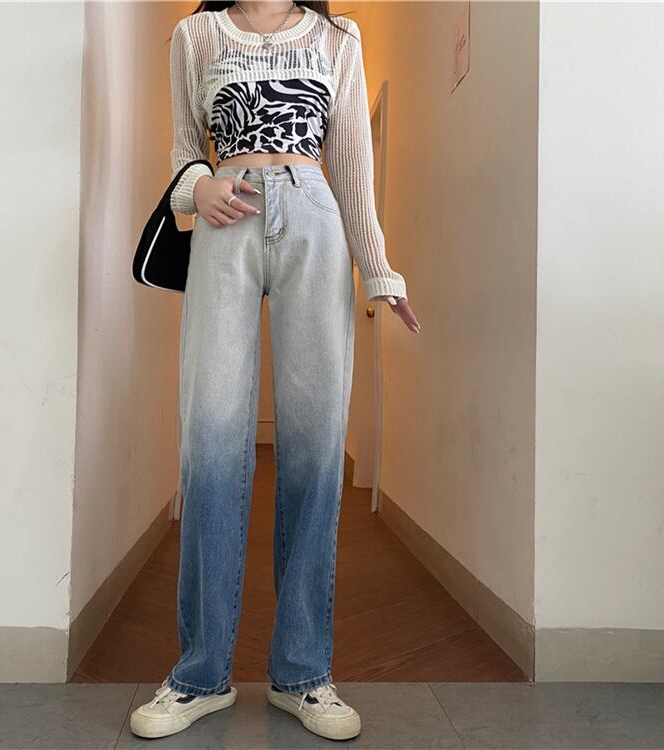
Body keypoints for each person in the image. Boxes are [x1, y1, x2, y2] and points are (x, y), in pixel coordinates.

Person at [130, 0, 421, 742]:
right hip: (226, 221)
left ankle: (303, 672)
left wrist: (380, 271)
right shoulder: (196, 34)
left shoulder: (338, 36)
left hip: (315, 219)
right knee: (210, 440)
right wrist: (199, 187)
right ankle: (200, 675)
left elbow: (352, 163)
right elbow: (182, 149)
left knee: (317, 445)